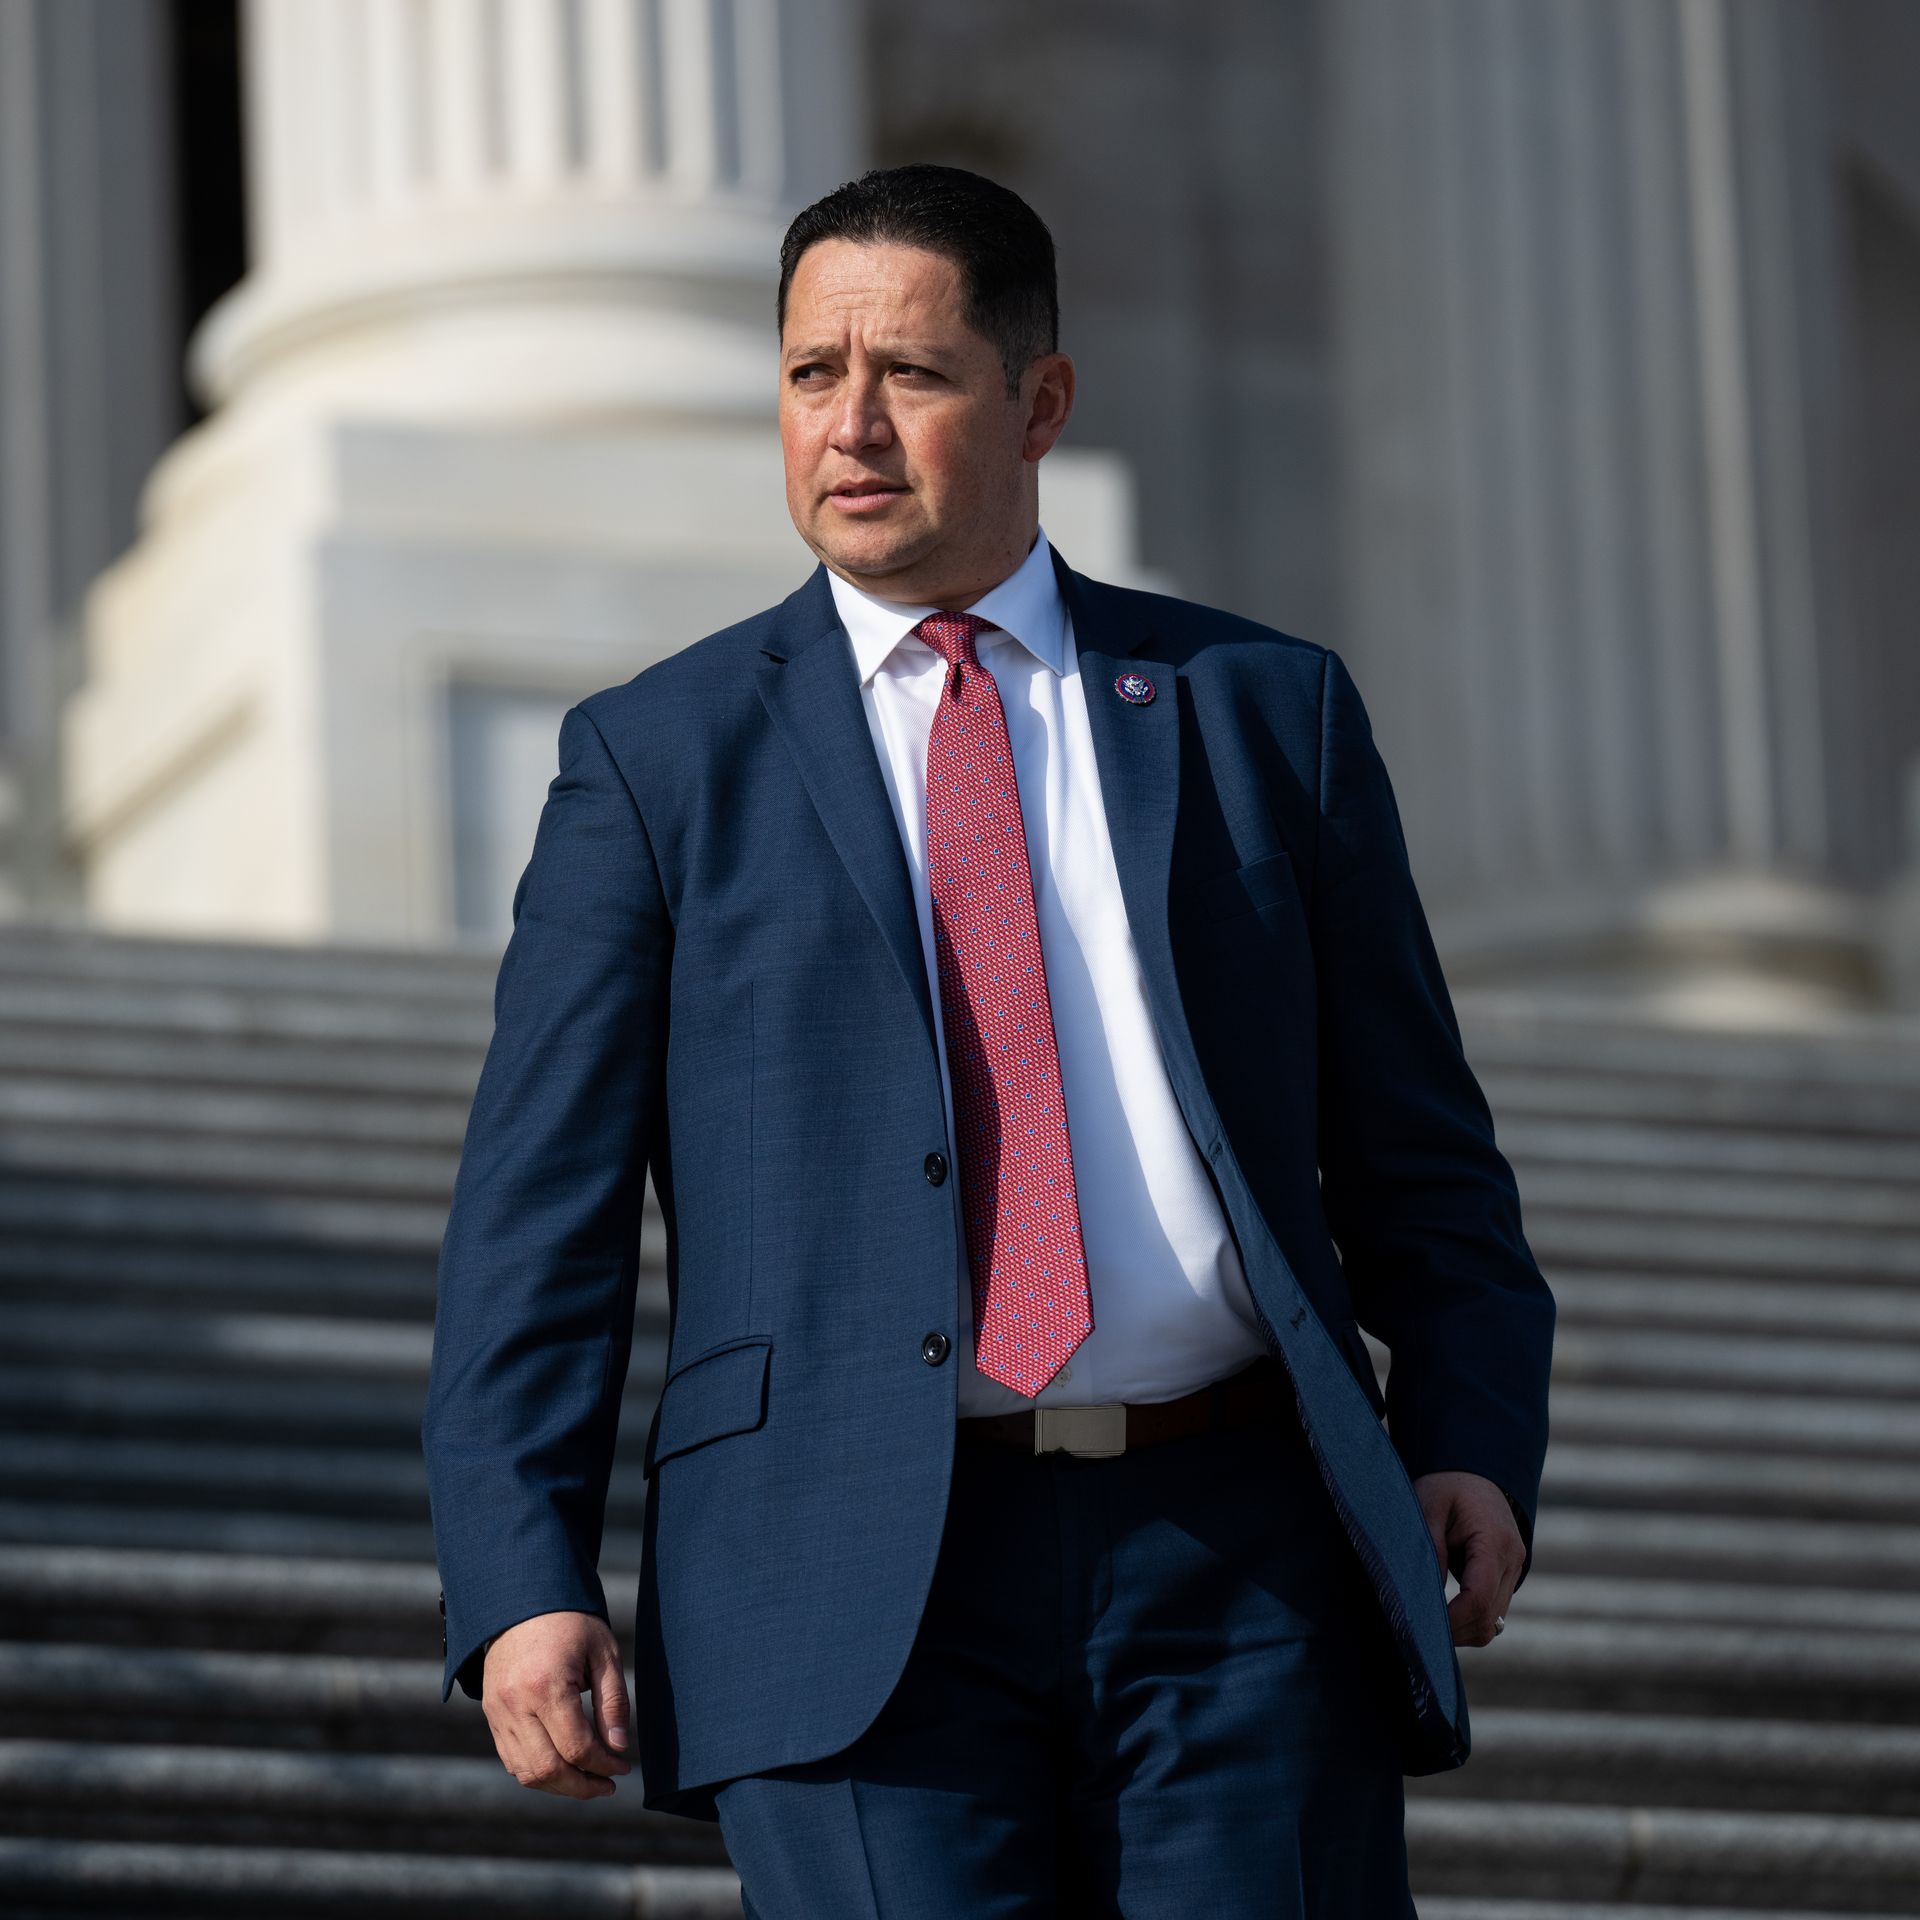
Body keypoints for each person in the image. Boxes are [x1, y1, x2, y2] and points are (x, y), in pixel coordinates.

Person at [423, 162, 1555, 1916]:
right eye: (812, 375)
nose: (850, 427)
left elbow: (1421, 1150)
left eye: (913, 375)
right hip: (836, 1566)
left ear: (1040, 401)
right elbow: (534, 1217)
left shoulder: (1266, 712)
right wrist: (521, 1571)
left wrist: (1468, 1430)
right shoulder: (659, 762)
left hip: (1243, 1559)